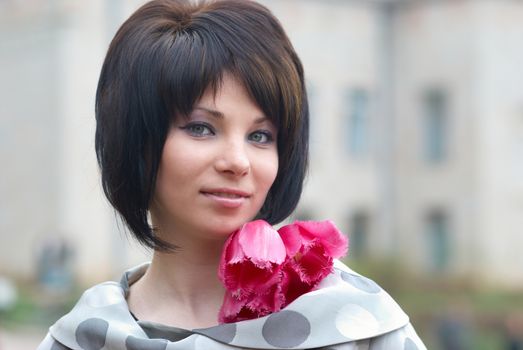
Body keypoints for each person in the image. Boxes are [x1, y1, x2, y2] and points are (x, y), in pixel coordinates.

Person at [38, 0, 426, 349]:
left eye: (260, 136)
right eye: (201, 128)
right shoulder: (82, 339)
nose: (238, 161)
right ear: (136, 139)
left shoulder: (357, 326)